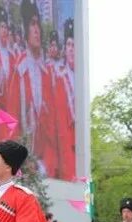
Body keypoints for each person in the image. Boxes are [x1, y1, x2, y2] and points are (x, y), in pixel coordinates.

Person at [7, 0, 57, 176]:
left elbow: (52, 132)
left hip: (42, 169)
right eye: (32, 24)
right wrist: (22, 163)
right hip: (22, 166)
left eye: (38, 24)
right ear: (25, 29)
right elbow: (12, 125)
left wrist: (44, 167)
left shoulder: (46, 74)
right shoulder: (19, 71)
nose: (37, 30)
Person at [52, 18, 76, 181]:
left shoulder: (80, 79)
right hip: (67, 150)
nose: (71, 49)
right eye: (68, 45)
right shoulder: (60, 78)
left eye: (74, 45)